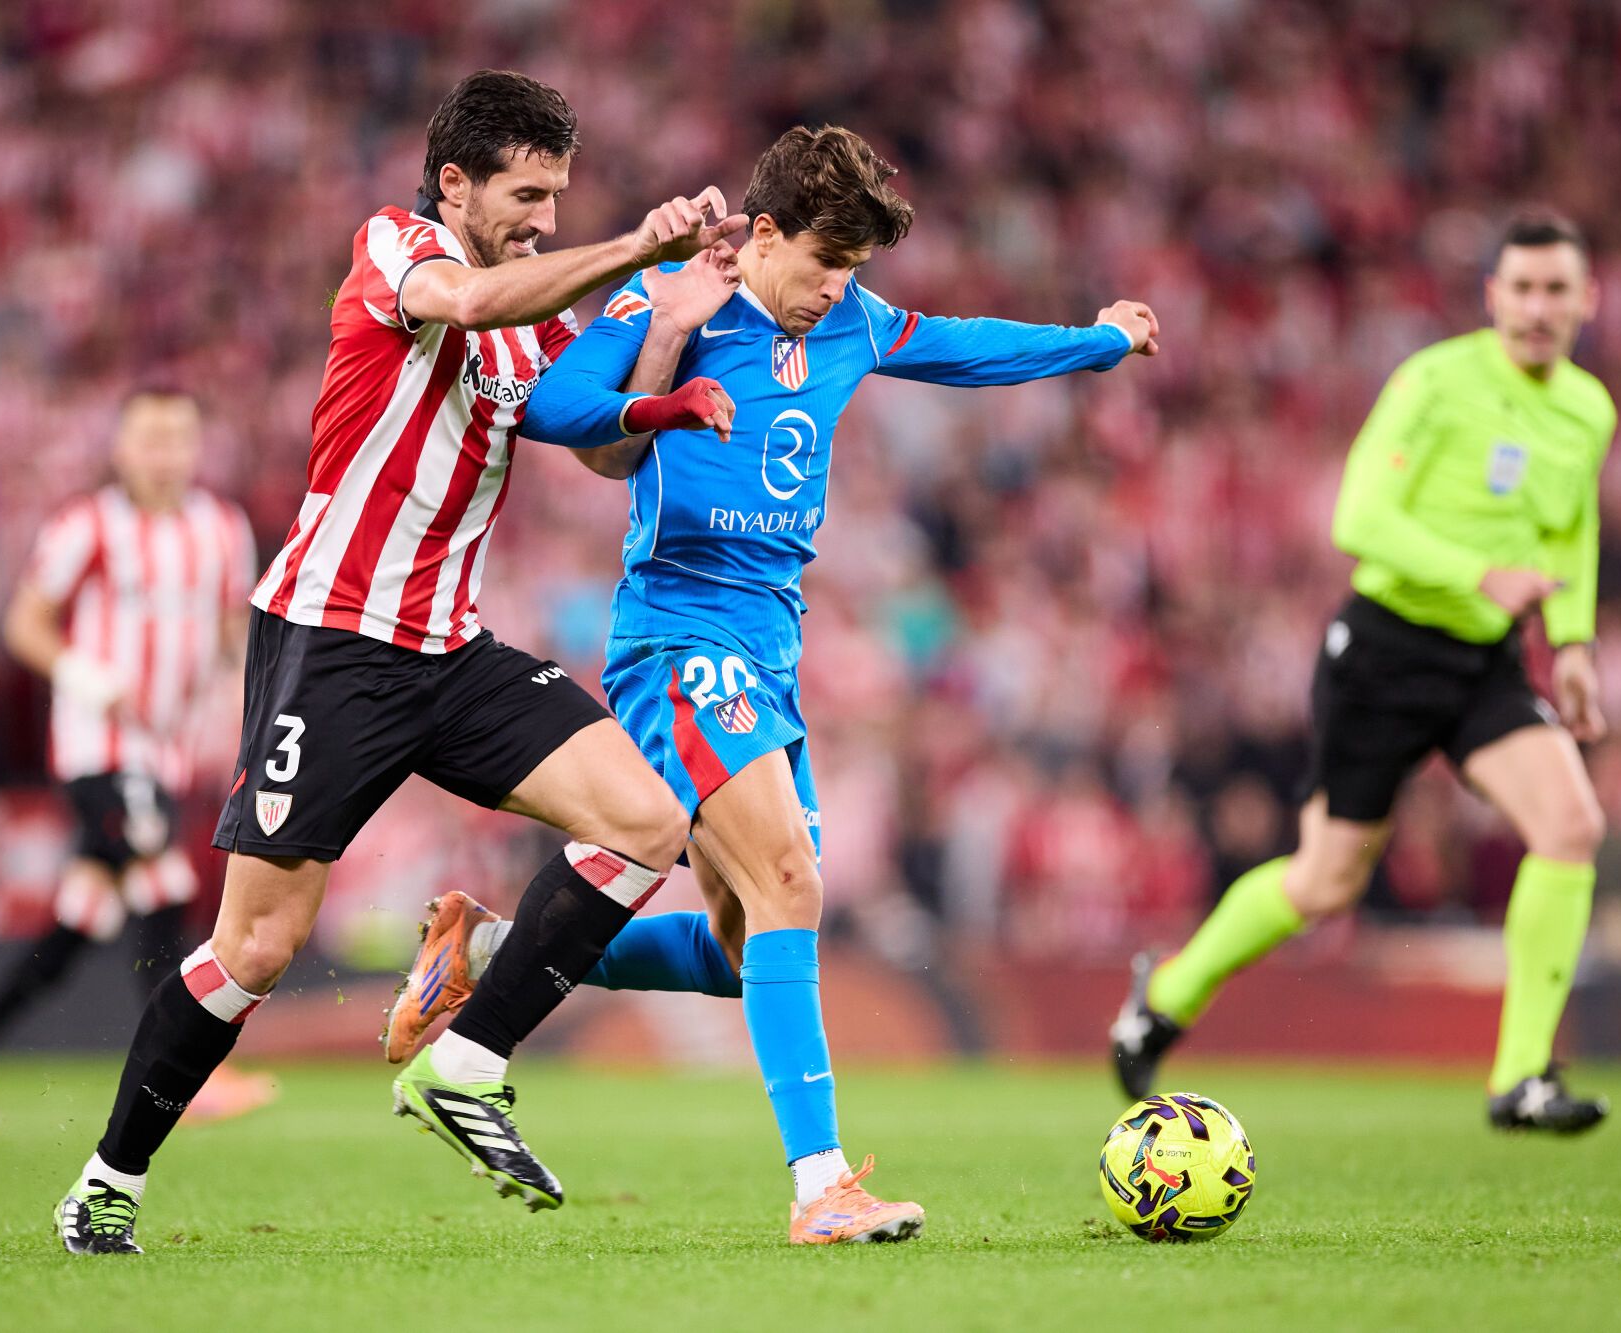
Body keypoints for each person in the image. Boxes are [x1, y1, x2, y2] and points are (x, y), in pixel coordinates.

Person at [384, 124, 1160, 1244]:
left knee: (743, 943)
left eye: (852, 272)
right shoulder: (671, 293)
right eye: (821, 264)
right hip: (676, 634)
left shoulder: (846, 318)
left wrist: (1092, 343)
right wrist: (664, 351)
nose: (834, 293)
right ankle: (820, 1187)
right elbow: (552, 410)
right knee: (791, 883)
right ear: (759, 235)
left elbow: (959, 347)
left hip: (771, 648)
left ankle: (488, 952)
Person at [54, 68, 748, 1256]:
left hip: (450, 648)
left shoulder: (536, 313)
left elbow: (594, 457)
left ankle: (467, 1061)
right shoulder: (397, 246)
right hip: (330, 643)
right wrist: (631, 246)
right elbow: (463, 307)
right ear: (454, 182)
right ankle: (108, 1178)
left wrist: (667, 347)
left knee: (646, 822)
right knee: (258, 947)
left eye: (558, 196)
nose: (542, 215)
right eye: (527, 194)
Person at [1110, 211, 1616, 1133]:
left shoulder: (1589, 409)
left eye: (1557, 290)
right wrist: (1479, 574)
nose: (1539, 307)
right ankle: (1166, 995)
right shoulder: (1435, 382)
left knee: (1573, 823)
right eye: (1524, 288)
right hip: (1384, 652)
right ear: (1492, 296)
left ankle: (1521, 1077)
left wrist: (1573, 643)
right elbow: (1358, 518)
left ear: (1589, 299)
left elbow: (1570, 526)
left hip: (1485, 663)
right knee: (1323, 883)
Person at [0, 388, 274, 1134]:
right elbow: (25, 623)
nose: (163, 452)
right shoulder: (87, 525)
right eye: (148, 437)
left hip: (164, 747)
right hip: (97, 746)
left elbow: (228, 629)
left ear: (196, 446)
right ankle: (187, 1065)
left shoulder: (221, 528)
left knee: (88, 910)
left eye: (178, 436)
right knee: (163, 882)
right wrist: (87, 677)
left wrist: (254, 705)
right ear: (120, 447)